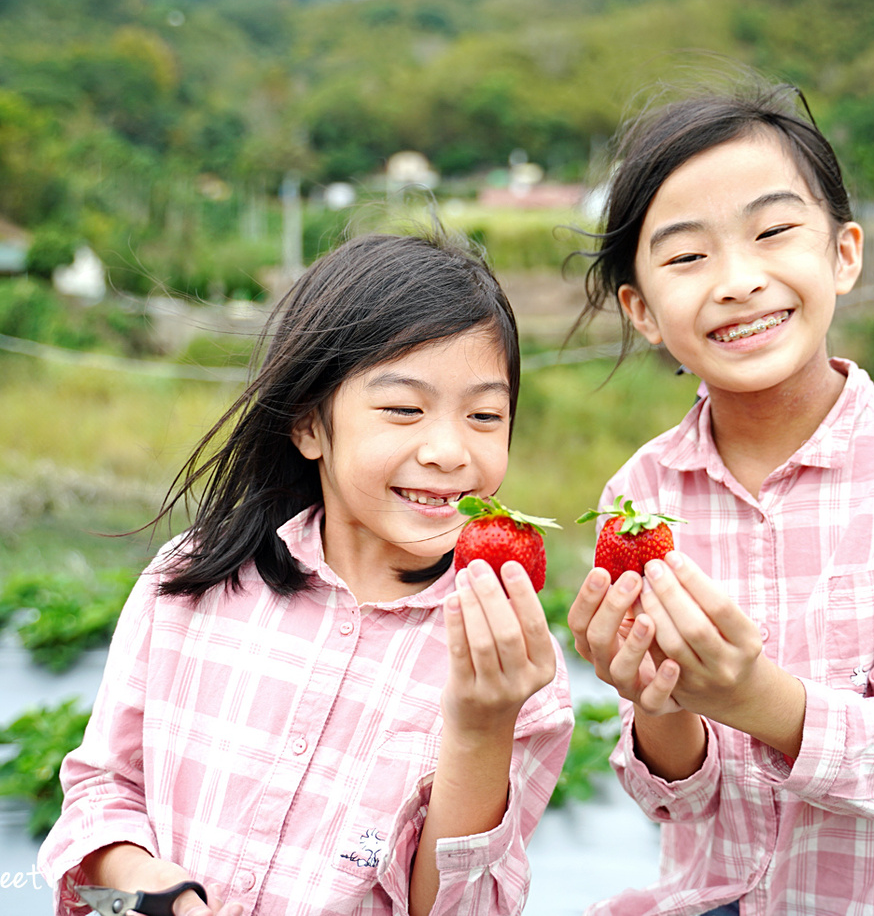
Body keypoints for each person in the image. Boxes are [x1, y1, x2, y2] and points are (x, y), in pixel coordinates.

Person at [566, 77, 874, 916]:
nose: (739, 280)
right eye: (686, 256)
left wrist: (756, 699)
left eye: (774, 232)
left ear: (843, 253)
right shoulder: (638, 497)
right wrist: (654, 697)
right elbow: (674, 797)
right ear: (641, 310)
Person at [39, 231, 574, 916]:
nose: (448, 450)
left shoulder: (520, 671)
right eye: (404, 408)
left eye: (484, 415)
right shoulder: (190, 583)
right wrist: (160, 896)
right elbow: (101, 792)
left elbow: (461, 908)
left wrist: (481, 726)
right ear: (309, 425)